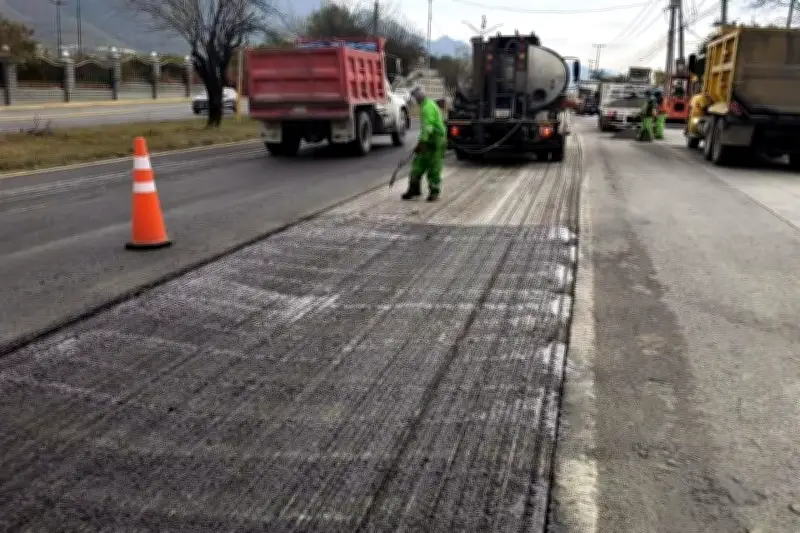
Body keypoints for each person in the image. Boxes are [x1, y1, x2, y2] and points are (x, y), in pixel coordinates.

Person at [403, 87, 447, 201]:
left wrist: (422, 143)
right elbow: (425, 129)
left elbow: (428, 128)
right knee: (418, 164)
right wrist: (422, 142)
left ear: (417, 98)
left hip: (436, 140)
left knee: (434, 167)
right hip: (429, 139)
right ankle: (414, 190)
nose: (413, 101)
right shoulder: (426, 105)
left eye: (413, 98)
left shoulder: (427, 108)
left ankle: (434, 192)